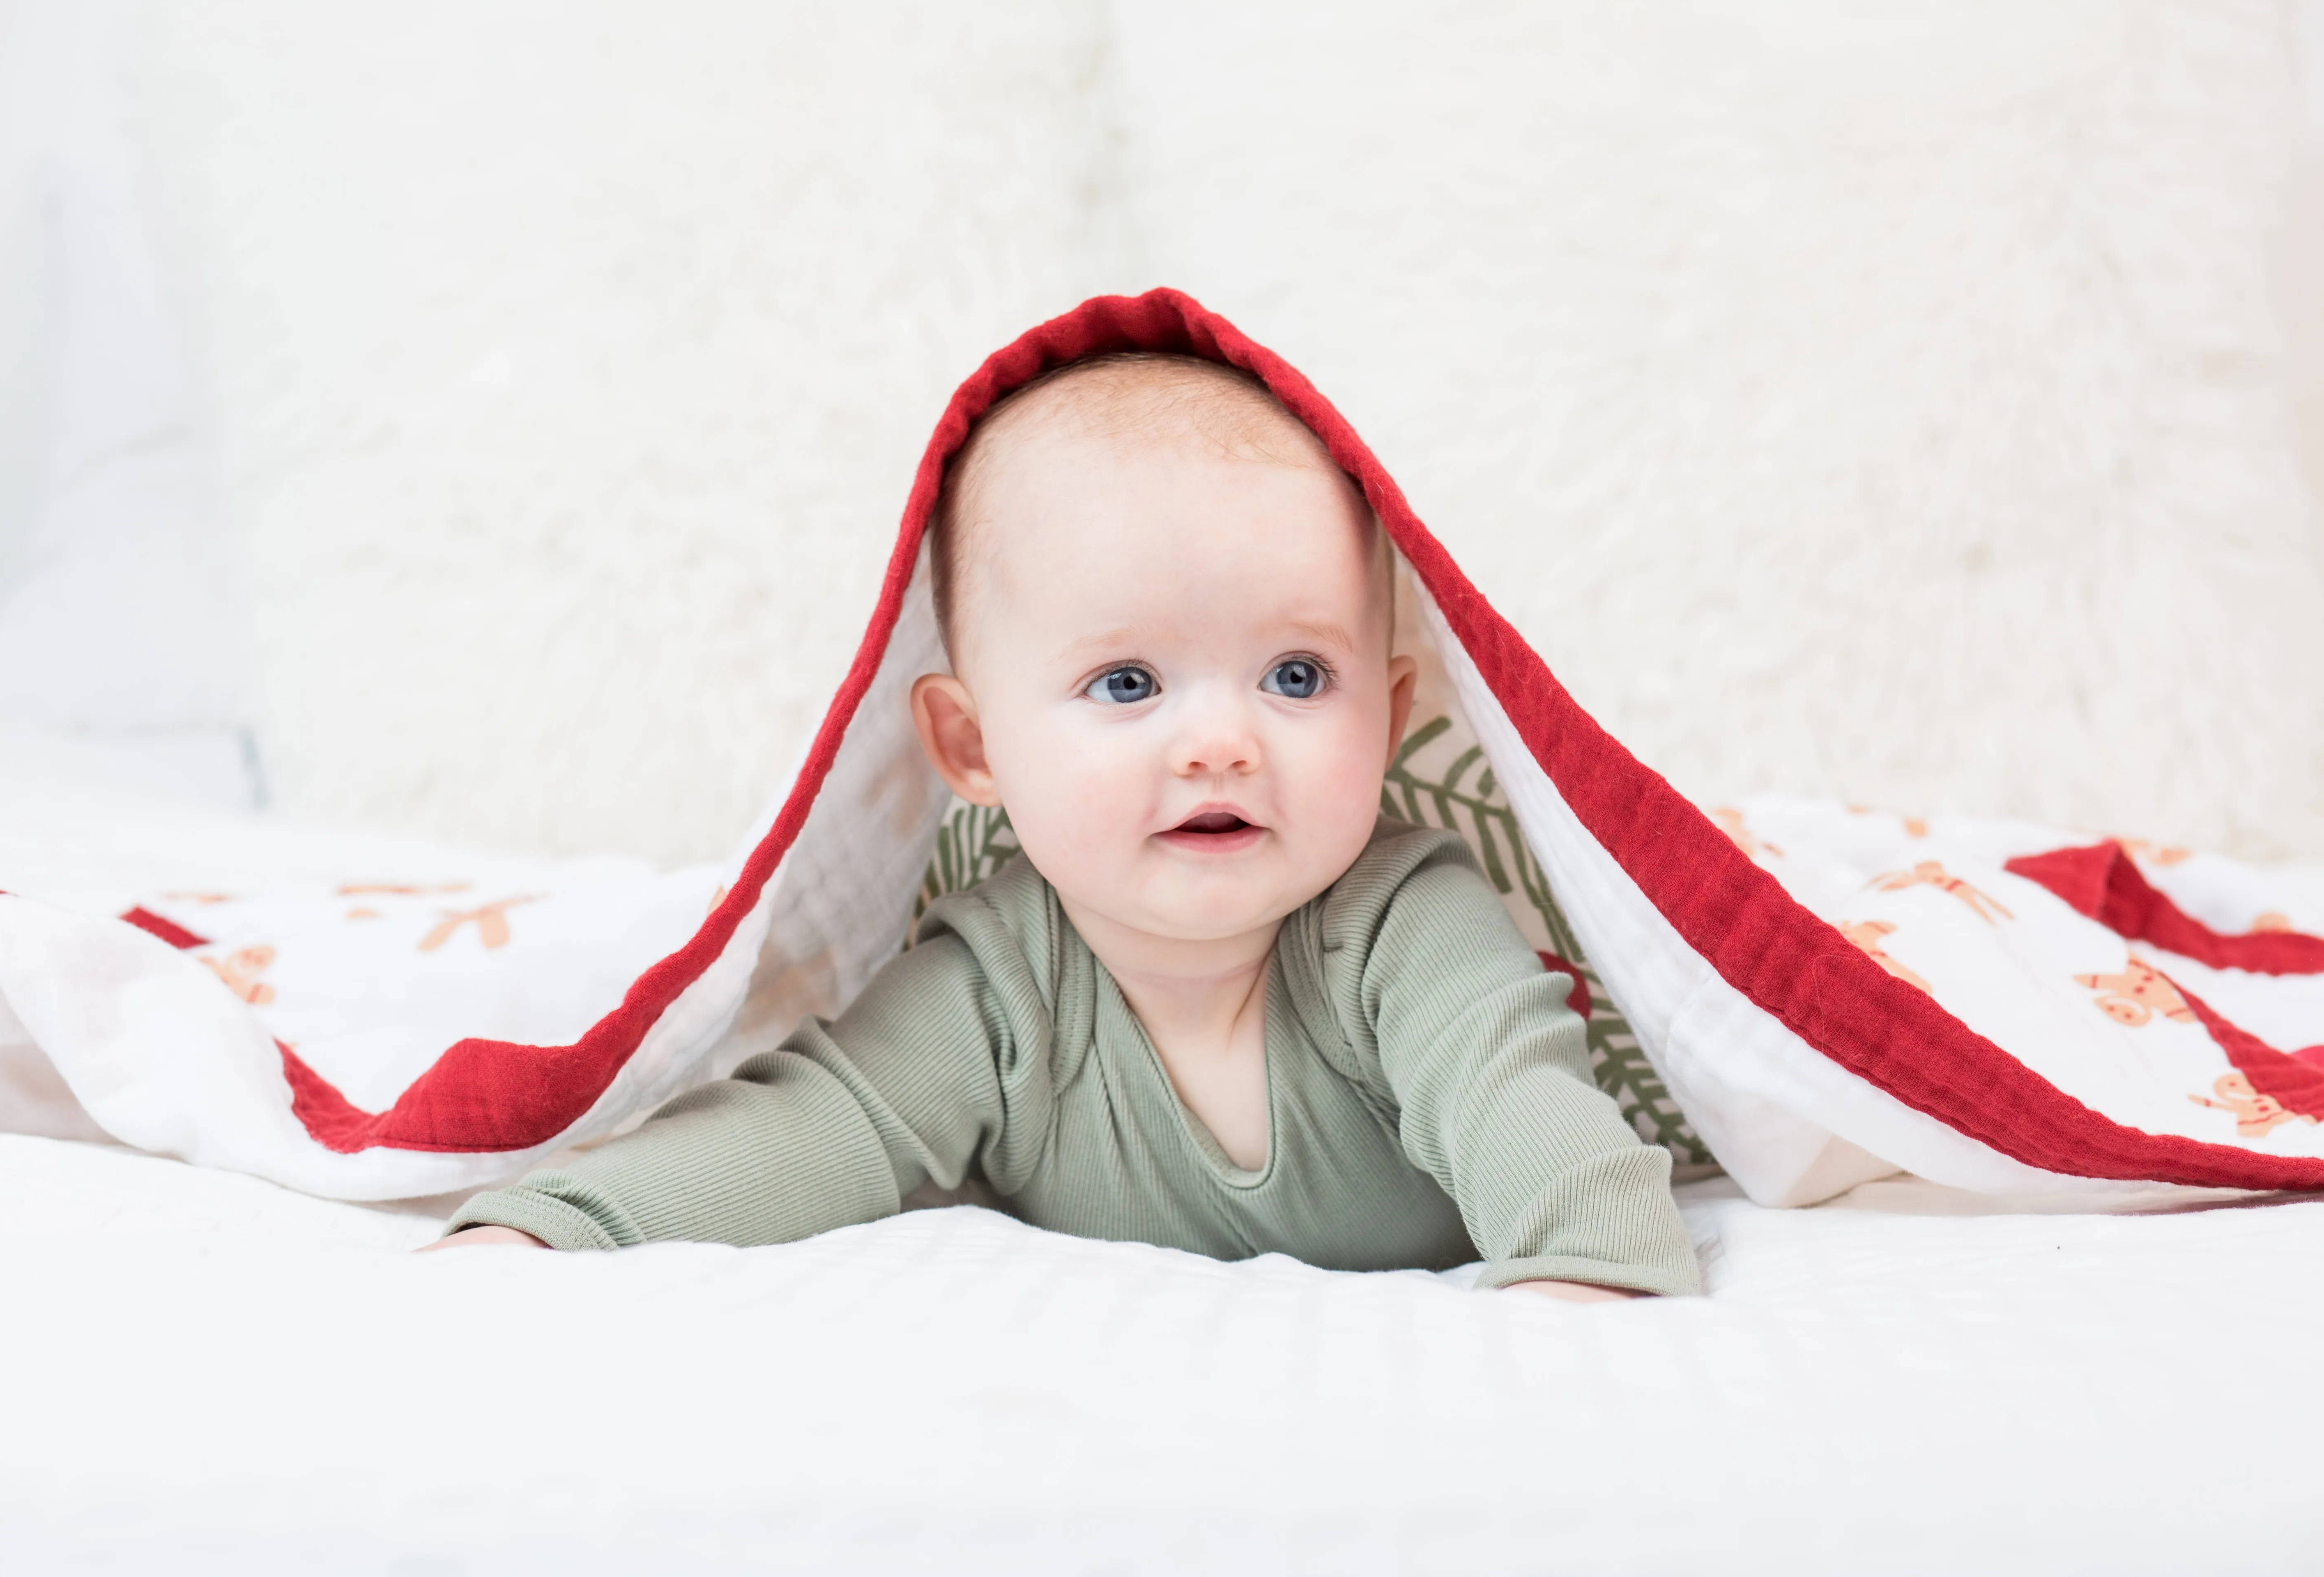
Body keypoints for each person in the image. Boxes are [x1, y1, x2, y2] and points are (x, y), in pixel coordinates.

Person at [427, 352, 1701, 1300]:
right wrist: (555, 1225)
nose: (1221, 743)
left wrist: (1575, 1295)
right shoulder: (998, 985)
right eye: (1129, 685)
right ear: (974, 750)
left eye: (1298, 677)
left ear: (1393, 712)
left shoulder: (1405, 929)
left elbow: (1547, 1143)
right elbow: (818, 1130)